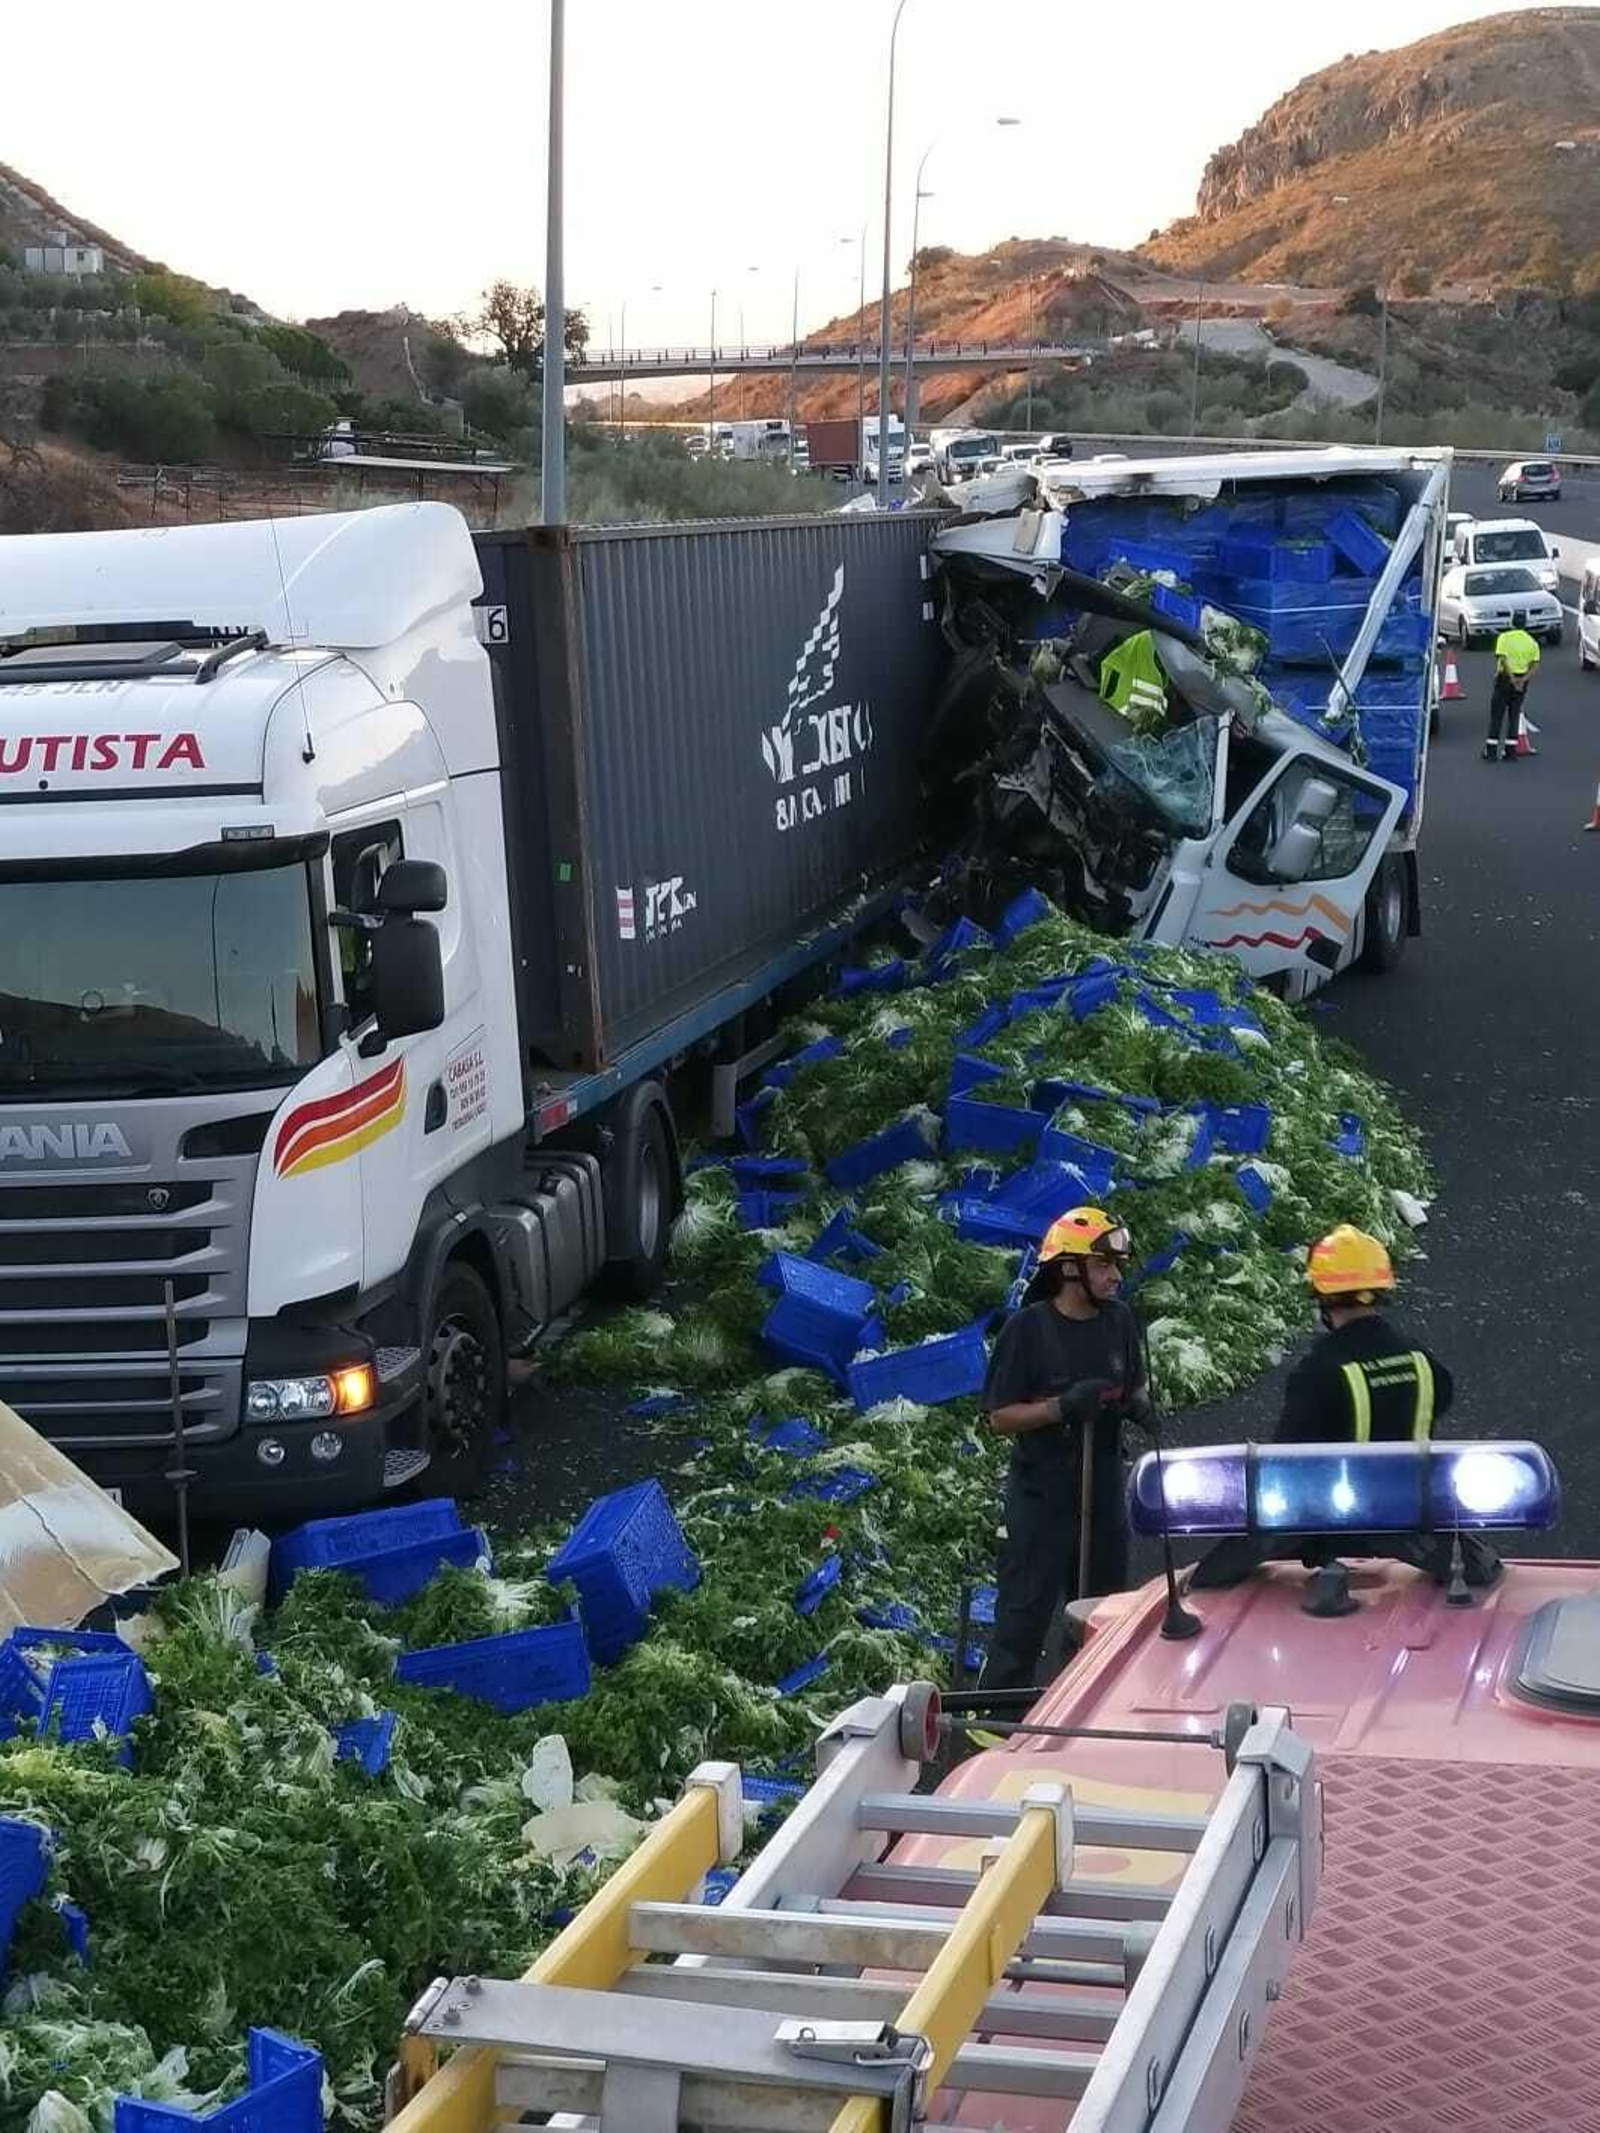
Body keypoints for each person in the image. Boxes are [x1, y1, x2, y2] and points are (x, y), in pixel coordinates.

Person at [979, 1207, 1149, 1692]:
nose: (1116, 1276)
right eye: (1104, 1266)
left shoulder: (1119, 1322)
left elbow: (1132, 1384)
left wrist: (1136, 1406)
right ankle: (1000, 1719)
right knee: (1023, 1614)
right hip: (1042, 1496)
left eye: (1118, 1265)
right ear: (1070, 1269)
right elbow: (999, 1417)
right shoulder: (1028, 1330)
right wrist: (1060, 1408)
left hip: (1102, 1494)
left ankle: (1084, 1702)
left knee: (1102, 1612)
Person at [1277, 1224, 1453, 1443]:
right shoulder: (1420, 1359)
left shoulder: (1316, 1373)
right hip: (1419, 1478)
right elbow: (1443, 1398)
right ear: (1380, 1289)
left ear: (1323, 1295)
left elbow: (1288, 1453)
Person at [1484, 624, 1540, 762]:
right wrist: (1522, 681)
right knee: (1514, 716)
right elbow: (1535, 666)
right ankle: (1510, 752)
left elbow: (1502, 660)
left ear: (1512, 623)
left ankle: (1491, 752)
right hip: (1522, 682)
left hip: (1504, 680)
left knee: (1497, 716)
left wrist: (1512, 678)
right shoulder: (1531, 642)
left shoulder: (1504, 638)